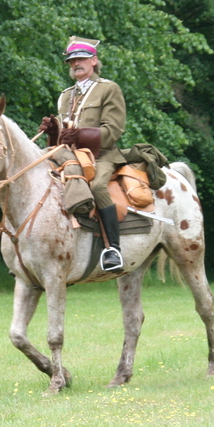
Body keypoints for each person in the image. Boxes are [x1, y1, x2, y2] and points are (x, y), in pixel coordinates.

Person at [49, 36, 127, 273]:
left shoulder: (108, 89)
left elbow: (113, 131)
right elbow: (64, 137)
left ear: (94, 60)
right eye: (71, 60)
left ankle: (113, 249)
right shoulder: (65, 95)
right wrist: (54, 131)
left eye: (81, 59)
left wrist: (80, 135)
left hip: (101, 155)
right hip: (68, 155)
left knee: (98, 188)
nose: (75, 64)